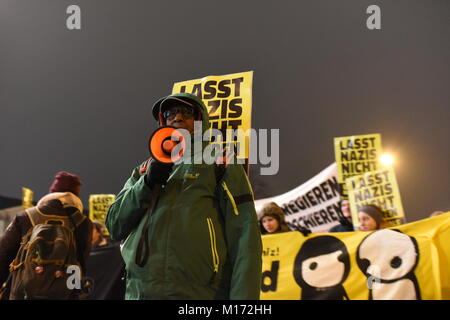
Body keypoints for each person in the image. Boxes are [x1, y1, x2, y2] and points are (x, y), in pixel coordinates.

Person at [105, 93, 262, 300]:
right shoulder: (144, 170)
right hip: (141, 292)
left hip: (200, 293)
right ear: (163, 121)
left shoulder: (220, 162)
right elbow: (114, 225)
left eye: (186, 112)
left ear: (200, 120)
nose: (177, 118)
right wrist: (146, 184)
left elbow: (245, 233)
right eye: (170, 113)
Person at [0, 171, 93, 299]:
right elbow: (81, 262)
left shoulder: (26, 216)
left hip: (23, 292)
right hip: (65, 292)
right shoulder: (84, 223)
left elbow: (3, 254)